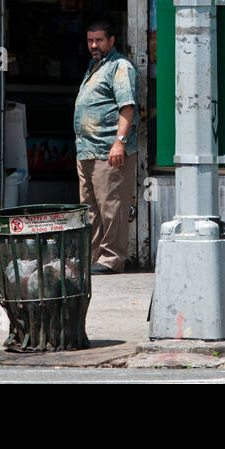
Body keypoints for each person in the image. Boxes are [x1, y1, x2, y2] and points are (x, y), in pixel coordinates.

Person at [73, 20, 138, 274]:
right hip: (87, 150)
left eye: (99, 40)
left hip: (108, 151)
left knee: (112, 207)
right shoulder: (94, 66)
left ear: (111, 41)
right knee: (91, 210)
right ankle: (95, 258)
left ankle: (112, 259)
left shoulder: (120, 67)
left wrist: (119, 143)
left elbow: (127, 107)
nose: (94, 45)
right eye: (90, 40)